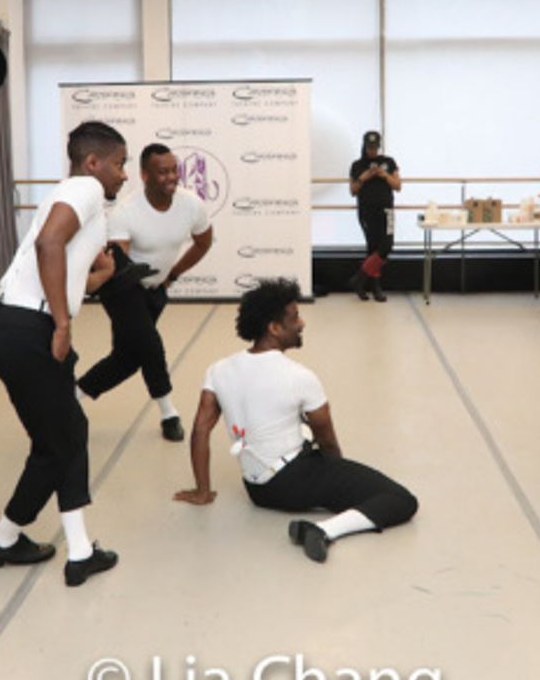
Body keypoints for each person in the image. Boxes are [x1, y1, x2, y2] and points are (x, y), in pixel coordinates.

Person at [173, 278, 418, 563]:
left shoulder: (219, 369)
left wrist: (203, 491)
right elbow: (325, 437)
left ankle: (319, 515)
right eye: (294, 318)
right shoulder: (299, 376)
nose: (302, 323)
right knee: (401, 500)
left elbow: (200, 430)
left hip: (257, 490)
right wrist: (336, 473)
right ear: (274, 329)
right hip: (292, 481)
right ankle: (321, 530)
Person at [0, 121, 127, 586]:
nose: (125, 175)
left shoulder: (82, 200)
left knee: (54, 440)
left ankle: (3, 541)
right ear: (92, 162)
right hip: (29, 328)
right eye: (120, 165)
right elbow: (48, 243)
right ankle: (80, 552)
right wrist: (62, 322)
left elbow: (59, 264)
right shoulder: (84, 187)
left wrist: (98, 275)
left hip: (10, 325)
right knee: (68, 434)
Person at [76, 143, 214, 441]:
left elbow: (204, 242)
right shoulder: (126, 212)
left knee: (127, 357)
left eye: (174, 170)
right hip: (122, 288)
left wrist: (172, 275)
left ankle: (71, 396)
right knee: (150, 346)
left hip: (155, 290)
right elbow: (117, 265)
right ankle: (169, 413)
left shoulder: (191, 205)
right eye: (162, 172)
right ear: (145, 176)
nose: (171, 177)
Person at [347, 131, 401, 302]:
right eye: (370, 147)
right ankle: (375, 287)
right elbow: (353, 191)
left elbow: (398, 186)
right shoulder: (357, 165)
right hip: (366, 212)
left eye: (375, 147)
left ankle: (359, 279)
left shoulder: (388, 162)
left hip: (387, 210)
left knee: (387, 245)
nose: (372, 151)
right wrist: (364, 178)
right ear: (364, 146)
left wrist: (384, 175)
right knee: (372, 248)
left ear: (379, 146)